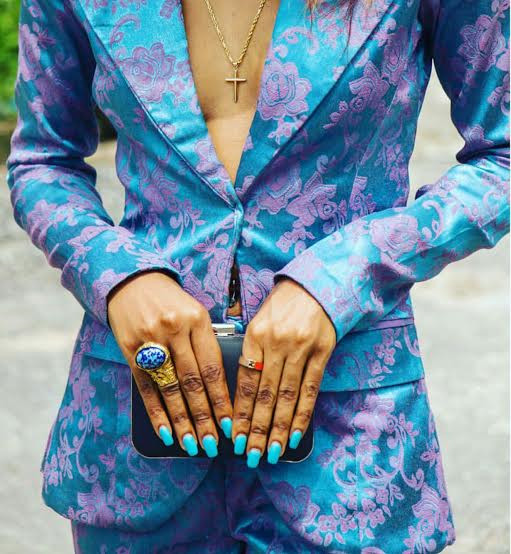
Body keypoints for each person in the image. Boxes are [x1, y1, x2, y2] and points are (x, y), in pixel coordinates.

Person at [5, 0, 509, 551]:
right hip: (141, 428)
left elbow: (501, 160)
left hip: (349, 448)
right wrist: (119, 276)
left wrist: (344, 274)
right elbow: (43, 161)